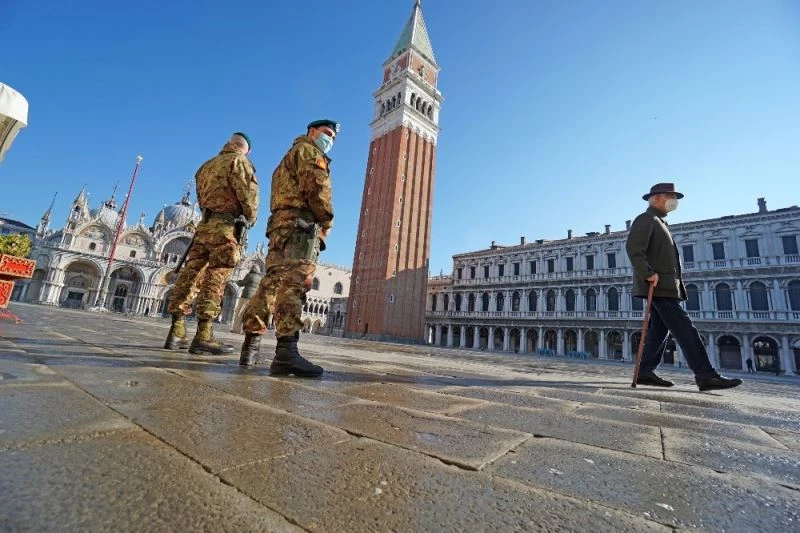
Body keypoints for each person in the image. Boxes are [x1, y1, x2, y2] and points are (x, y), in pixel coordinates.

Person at [239, 119, 337, 375]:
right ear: (311, 132)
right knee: (294, 285)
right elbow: (318, 192)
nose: (330, 140)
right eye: (327, 134)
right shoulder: (310, 153)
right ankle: (286, 352)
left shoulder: (286, 157)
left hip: (280, 225)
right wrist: (326, 222)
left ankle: (250, 346)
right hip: (301, 226)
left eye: (333, 138)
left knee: (270, 283)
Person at [626, 183, 742, 391]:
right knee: (685, 329)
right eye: (671, 196)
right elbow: (634, 249)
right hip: (658, 285)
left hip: (666, 285)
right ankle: (706, 375)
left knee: (659, 330)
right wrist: (648, 273)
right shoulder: (647, 219)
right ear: (657, 198)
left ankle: (645, 371)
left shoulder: (659, 222)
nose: (675, 201)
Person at [163, 132, 258, 355]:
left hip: (203, 228)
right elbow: (249, 200)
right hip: (225, 228)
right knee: (216, 277)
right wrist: (249, 219)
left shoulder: (205, 166)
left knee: (191, 275)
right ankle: (204, 335)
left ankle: (176, 332)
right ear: (246, 149)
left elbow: (201, 198)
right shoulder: (240, 162)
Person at [231, 265, 264, 334]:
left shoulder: (250, 275)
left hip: (246, 296)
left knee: (240, 312)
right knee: (249, 314)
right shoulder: (260, 278)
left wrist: (236, 282)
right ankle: (246, 330)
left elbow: (243, 283)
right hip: (254, 297)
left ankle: (236, 329)